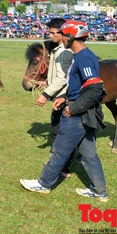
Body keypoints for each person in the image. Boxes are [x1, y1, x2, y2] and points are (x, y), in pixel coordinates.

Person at [21, 21, 109, 202]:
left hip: (78, 113)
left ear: (70, 37)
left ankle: (44, 184)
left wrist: (72, 107)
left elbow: (95, 89)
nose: (60, 38)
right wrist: (64, 97)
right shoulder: (82, 55)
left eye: (63, 35)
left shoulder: (83, 58)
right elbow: (80, 85)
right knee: (89, 154)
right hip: (80, 107)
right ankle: (99, 191)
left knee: (60, 150)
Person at [35, 18, 74, 179]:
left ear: (62, 32)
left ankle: (64, 168)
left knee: (58, 133)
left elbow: (64, 78)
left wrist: (46, 94)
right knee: (58, 132)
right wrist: (46, 82)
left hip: (63, 98)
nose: (50, 36)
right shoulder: (59, 49)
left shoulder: (65, 52)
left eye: (52, 33)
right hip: (59, 95)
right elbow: (58, 76)